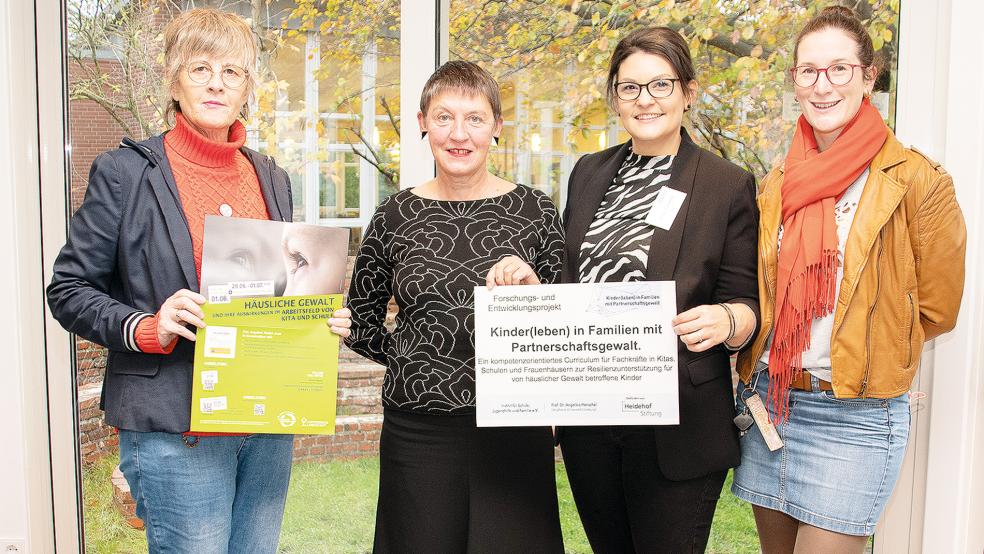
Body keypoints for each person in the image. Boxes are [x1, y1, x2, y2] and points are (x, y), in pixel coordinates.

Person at [46, 8, 350, 553]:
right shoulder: (126, 173)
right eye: (200, 68)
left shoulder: (271, 176)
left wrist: (315, 315)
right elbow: (68, 289)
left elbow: (276, 291)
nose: (216, 83)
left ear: (247, 88)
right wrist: (148, 325)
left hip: (265, 424)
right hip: (175, 427)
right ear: (174, 80)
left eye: (231, 71)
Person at [732, 6, 966, 552]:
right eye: (808, 71)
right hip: (772, 402)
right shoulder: (776, 184)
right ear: (795, 80)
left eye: (839, 69)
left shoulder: (918, 181)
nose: (823, 85)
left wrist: (873, 352)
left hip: (854, 418)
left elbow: (937, 309)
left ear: (868, 77)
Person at [344, 60, 566, 553]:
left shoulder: (536, 212)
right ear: (423, 122)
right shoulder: (395, 214)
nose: (458, 134)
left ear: (497, 126)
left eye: (475, 118)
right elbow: (360, 324)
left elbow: (567, 332)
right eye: (444, 117)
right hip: (418, 432)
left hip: (514, 427)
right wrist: (416, 358)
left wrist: (534, 292)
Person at [558, 26, 759, 553]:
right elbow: (569, 278)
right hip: (591, 418)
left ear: (687, 92)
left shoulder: (724, 184)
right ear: (615, 98)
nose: (644, 100)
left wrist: (726, 320)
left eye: (660, 85)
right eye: (630, 87)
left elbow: (747, 302)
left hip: (678, 423)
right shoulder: (588, 173)